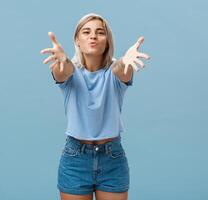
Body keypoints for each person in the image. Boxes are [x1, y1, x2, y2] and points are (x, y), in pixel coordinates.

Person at [40, 13, 150, 200]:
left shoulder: (116, 71)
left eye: (100, 32)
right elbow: (62, 72)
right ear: (77, 40)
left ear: (107, 41)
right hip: (75, 159)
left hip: (112, 159)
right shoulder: (69, 71)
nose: (93, 36)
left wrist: (124, 61)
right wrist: (64, 60)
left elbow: (121, 71)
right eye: (86, 32)